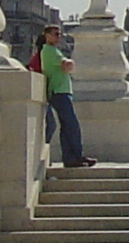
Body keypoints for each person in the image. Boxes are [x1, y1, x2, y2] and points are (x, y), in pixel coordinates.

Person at [30, 24, 91, 168]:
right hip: (59, 92)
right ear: (47, 35)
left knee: (66, 126)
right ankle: (76, 155)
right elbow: (68, 65)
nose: (59, 37)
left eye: (60, 34)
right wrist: (70, 63)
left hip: (61, 91)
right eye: (56, 34)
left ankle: (70, 157)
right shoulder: (50, 50)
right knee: (72, 125)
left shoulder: (53, 50)